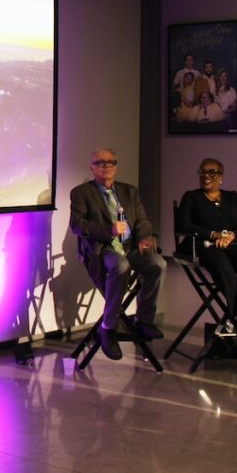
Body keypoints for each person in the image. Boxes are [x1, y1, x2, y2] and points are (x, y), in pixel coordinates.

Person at [70, 148, 166, 360]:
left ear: (116, 166)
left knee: (158, 264)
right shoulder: (82, 193)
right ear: (92, 167)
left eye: (110, 162)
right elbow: (77, 225)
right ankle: (108, 327)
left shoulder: (129, 191)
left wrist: (144, 237)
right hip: (104, 248)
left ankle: (144, 321)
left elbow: (142, 220)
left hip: (131, 246)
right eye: (101, 163)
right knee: (120, 266)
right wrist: (109, 230)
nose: (106, 166)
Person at [177, 157, 237, 343]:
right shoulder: (191, 197)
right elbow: (183, 225)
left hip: (231, 243)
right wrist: (213, 235)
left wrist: (232, 235)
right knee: (222, 263)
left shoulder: (232, 196)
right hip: (202, 245)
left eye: (212, 172)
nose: (206, 176)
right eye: (202, 172)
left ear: (221, 177)